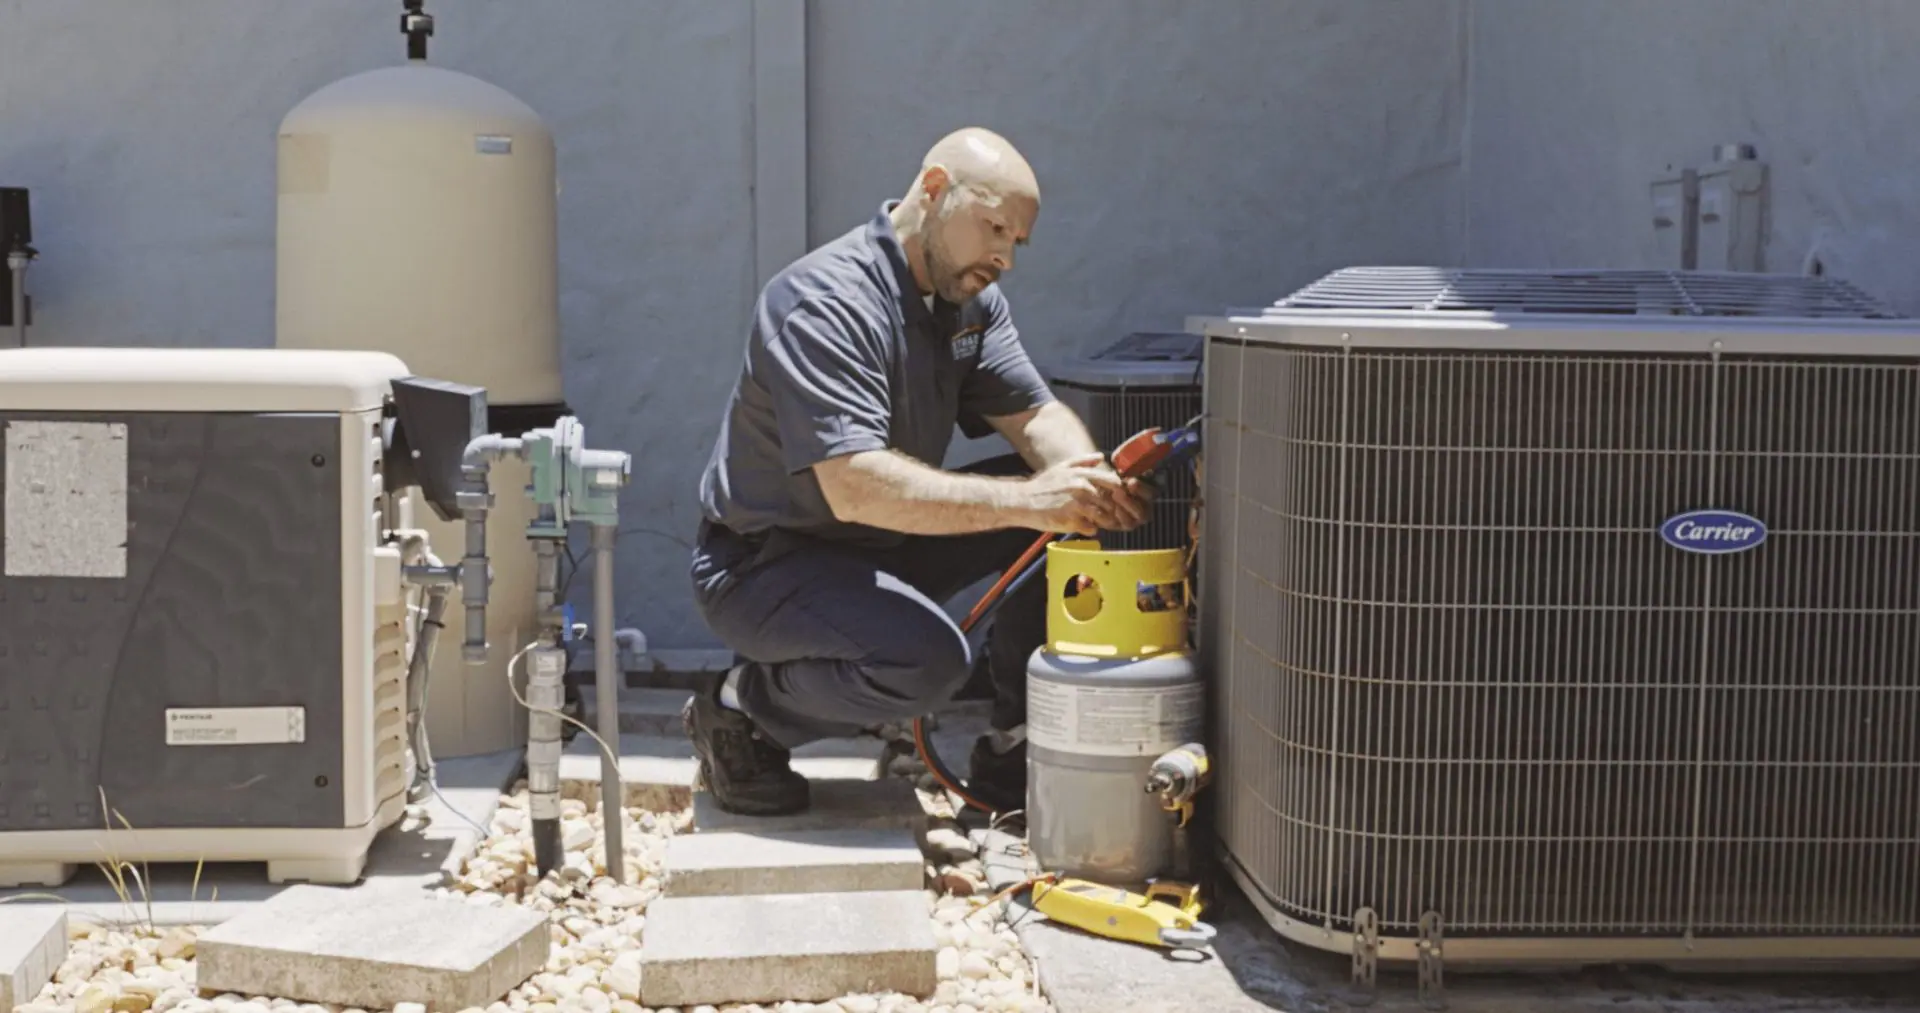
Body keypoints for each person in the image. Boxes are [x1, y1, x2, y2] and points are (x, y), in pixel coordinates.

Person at [685, 126, 1153, 816]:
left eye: (1015, 242)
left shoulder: (969, 303)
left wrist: (1087, 482)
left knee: (1065, 516)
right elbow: (855, 486)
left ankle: (1014, 747)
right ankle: (739, 708)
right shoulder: (825, 301)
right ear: (933, 190)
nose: (1004, 257)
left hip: (881, 542)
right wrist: (1033, 500)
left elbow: (1033, 413)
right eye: (993, 227)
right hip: (764, 565)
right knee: (927, 662)